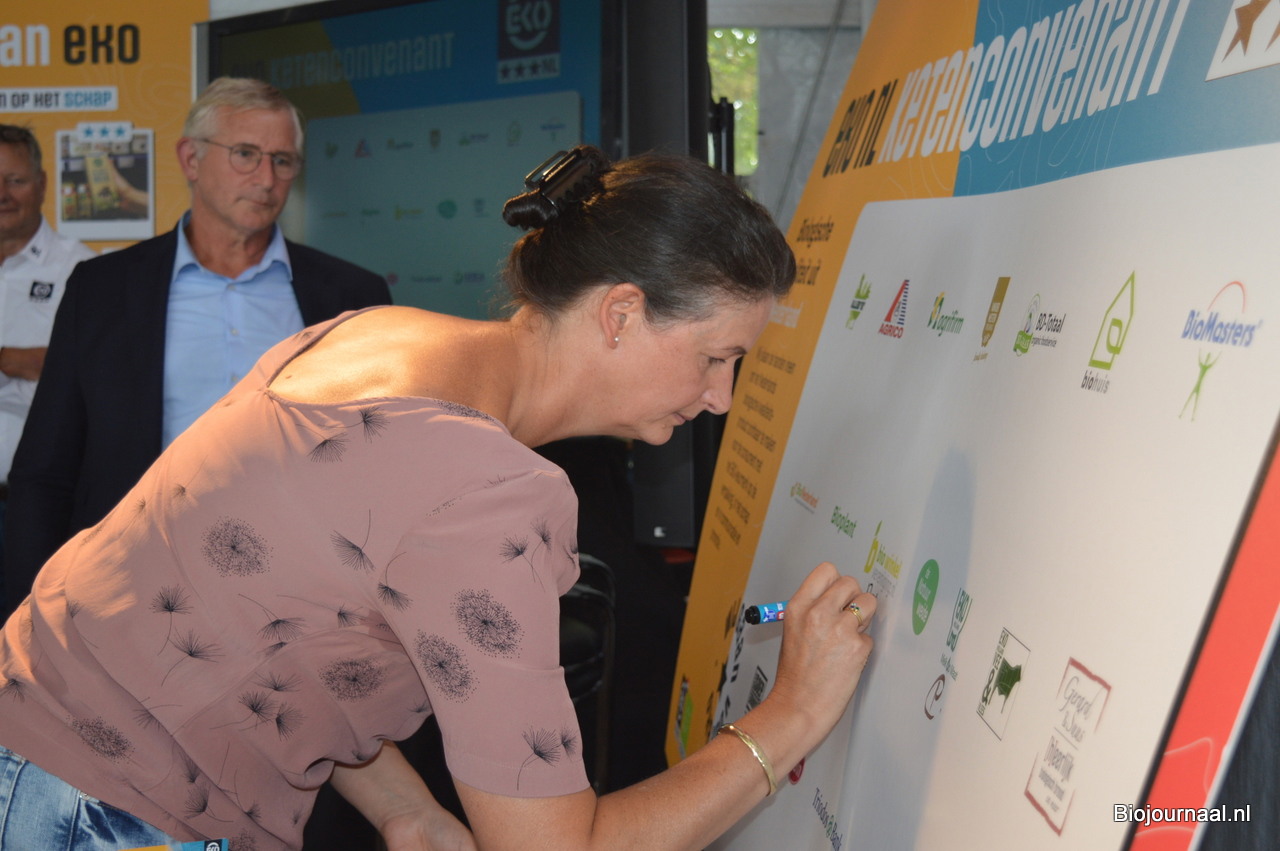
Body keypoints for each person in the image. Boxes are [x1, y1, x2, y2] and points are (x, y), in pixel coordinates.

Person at [0, 144, 876, 850]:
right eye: (715, 357)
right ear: (619, 313)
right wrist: (793, 711)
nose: (720, 398)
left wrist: (406, 810)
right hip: (106, 812)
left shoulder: (374, 336)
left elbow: (282, 624)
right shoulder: (489, 494)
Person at [3, 79, 391, 613]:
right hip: (131, 587)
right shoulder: (103, 290)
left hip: (304, 591)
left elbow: (378, 463)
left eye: (282, 161)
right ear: (190, 158)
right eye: (245, 154)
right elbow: (45, 471)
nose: (266, 179)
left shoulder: (352, 295)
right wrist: (27, 616)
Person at [0, 125, 95, 615]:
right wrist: (17, 361)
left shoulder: (83, 272)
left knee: (26, 638)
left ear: (40, 184)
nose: (2, 193)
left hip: (31, 509)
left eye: (14, 180)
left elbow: (80, 377)